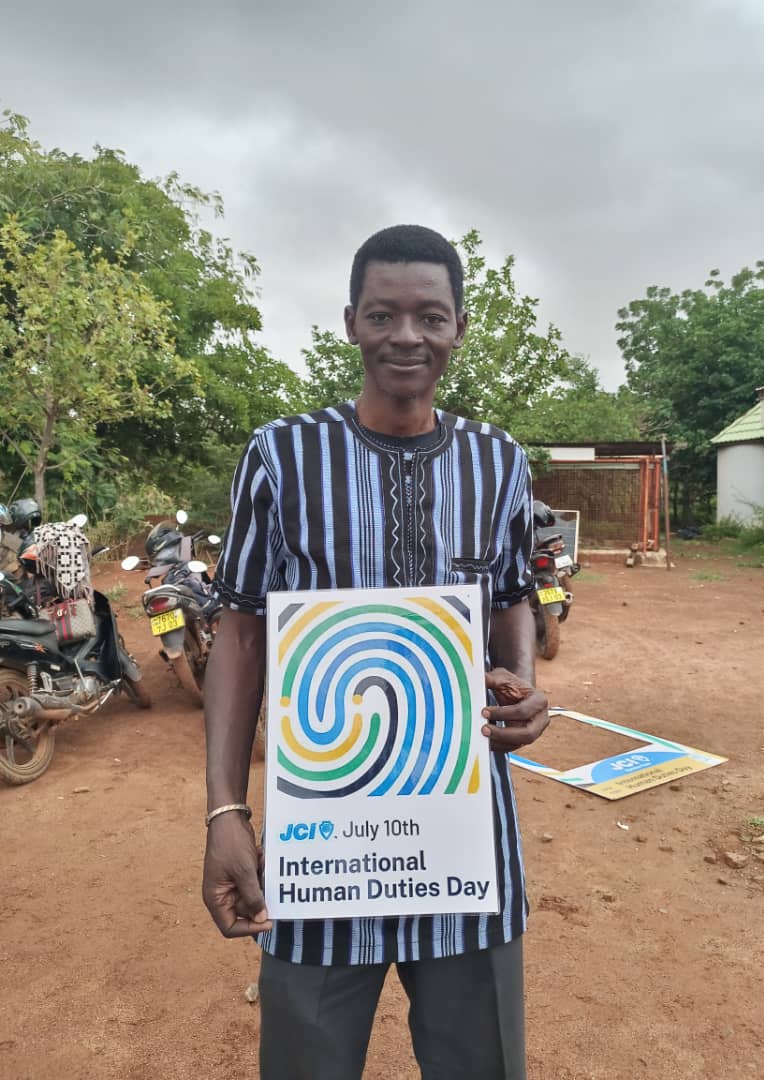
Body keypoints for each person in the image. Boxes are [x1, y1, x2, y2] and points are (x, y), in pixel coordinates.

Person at [203, 224, 550, 1079]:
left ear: (458, 327)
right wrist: (224, 811)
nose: (406, 336)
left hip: (465, 837)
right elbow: (240, 627)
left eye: (430, 316)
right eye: (382, 314)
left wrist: (521, 682)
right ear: (350, 322)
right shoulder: (281, 455)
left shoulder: (498, 460)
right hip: (324, 841)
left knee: (481, 1062)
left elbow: (511, 592)